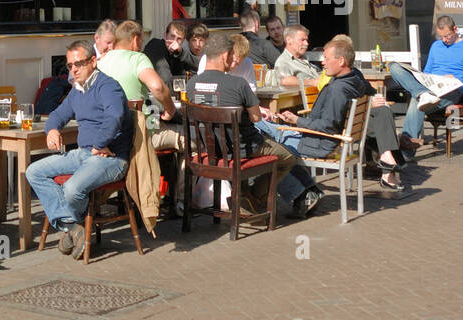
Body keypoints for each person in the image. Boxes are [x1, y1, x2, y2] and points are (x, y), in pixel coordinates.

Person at [187, 32, 316, 216]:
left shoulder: (191, 85)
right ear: (225, 55)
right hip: (243, 147)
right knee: (287, 157)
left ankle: (246, 197)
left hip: (210, 148)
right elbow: (256, 117)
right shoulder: (239, 84)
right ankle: (254, 199)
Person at [26, 39, 132, 261]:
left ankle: (73, 229)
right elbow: (58, 114)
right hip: (84, 153)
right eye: (70, 65)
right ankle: (72, 227)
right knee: (33, 172)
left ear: (93, 61)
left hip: (110, 157)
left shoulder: (107, 86)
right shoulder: (77, 89)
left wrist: (100, 143)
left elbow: (115, 116)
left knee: (72, 188)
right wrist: (52, 130)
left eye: (79, 64)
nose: (74, 69)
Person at [270, 34, 405, 197]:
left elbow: (327, 125)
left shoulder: (337, 88)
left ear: (341, 61)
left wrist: (296, 120)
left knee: (267, 140)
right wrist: (373, 98)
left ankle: (301, 194)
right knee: (383, 111)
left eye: (326, 58)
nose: (322, 62)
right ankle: (387, 161)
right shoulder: (352, 77)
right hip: (344, 129)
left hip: (323, 140)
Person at [98, 19, 182, 151]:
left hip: (108, 137)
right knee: (192, 137)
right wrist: (170, 109)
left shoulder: (100, 62)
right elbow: (157, 87)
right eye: (142, 41)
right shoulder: (137, 58)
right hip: (140, 134)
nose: (142, 45)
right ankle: (182, 172)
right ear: (135, 39)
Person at [391, 16, 463, 155]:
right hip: (431, 86)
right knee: (394, 67)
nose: (444, 40)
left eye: (447, 36)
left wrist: (455, 80)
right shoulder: (436, 46)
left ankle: (405, 154)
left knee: (417, 99)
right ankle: (422, 93)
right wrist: (424, 79)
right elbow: (427, 72)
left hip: (451, 90)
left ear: (455, 29)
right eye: (441, 36)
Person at [145, 19, 197, 87]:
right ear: (165, 36)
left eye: (179, 39)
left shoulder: (177, 52)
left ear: (183, 41)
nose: (174, 41)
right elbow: (166, 81)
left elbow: (198, 69)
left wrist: (181, 53)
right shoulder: (156, 46)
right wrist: (185, 79)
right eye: (172, 36)